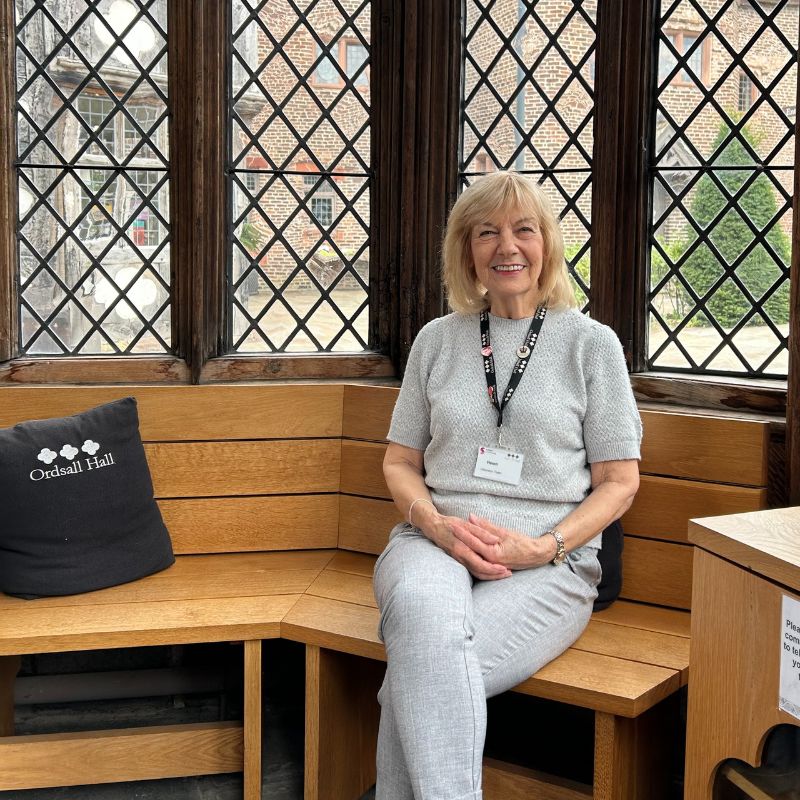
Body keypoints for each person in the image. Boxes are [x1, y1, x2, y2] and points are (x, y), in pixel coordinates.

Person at [372, 170, 642, 800]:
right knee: (420, 615)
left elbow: (619, 483)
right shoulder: (436, 342)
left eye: (523, 230)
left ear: (546, 244)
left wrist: (543, 546)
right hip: (433, 541)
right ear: (466, 252)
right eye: (486, 233)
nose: (507, 247)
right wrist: (434, 524)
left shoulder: (590, 345)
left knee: (414, 673)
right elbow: (398, 462)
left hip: (552, 564)